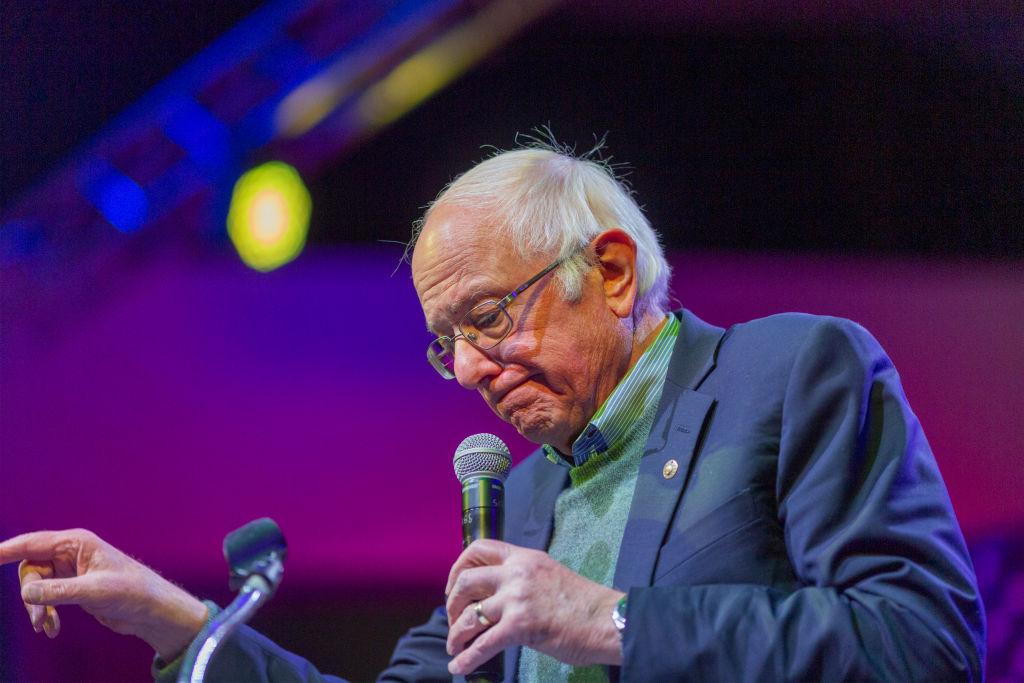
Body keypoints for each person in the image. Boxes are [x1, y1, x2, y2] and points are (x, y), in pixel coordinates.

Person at [0, 138, 985, 681]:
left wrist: (606, 618)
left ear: (607, 270)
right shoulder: (520, 501)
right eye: (446, 342)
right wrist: (179, 623)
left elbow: (920, 645)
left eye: (485, 317)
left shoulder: (791, 370)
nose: (468, 367)